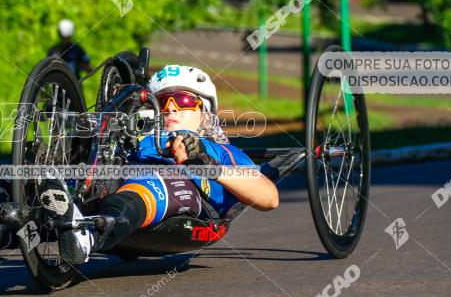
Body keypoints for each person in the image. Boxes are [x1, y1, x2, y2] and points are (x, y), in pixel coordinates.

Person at [37, 64, 280, 265]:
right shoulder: (139, 138)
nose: (171, 107)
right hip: (114, 186)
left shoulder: (220, 150)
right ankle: (4, 221)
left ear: (204, 112)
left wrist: (206, 165)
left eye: (183, 100)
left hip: (183, 201)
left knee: (160, 178)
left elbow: (269, 197)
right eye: (162, 101)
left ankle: (87, 235)